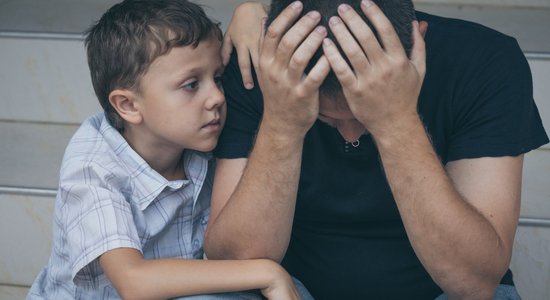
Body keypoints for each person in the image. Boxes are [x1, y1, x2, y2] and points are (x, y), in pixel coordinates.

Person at [204, 0, 549, 299]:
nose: (350, 132)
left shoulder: (485, 61)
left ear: (417, 44)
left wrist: (395, 121)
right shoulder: (258, 66)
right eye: (326, 117)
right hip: (289, 290)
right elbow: (238, 263)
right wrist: (283, 123)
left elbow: (472, 285)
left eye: (361, 115)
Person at [26, 0, 312, 299]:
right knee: (273, 280)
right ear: (128, 105)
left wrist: (248, 11)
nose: (216, 97)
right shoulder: (93, 167)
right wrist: (267, 272)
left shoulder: (197, 136)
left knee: (295, 290)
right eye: (191, 85)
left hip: (180, 294)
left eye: (217, 79)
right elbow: (133, 281)